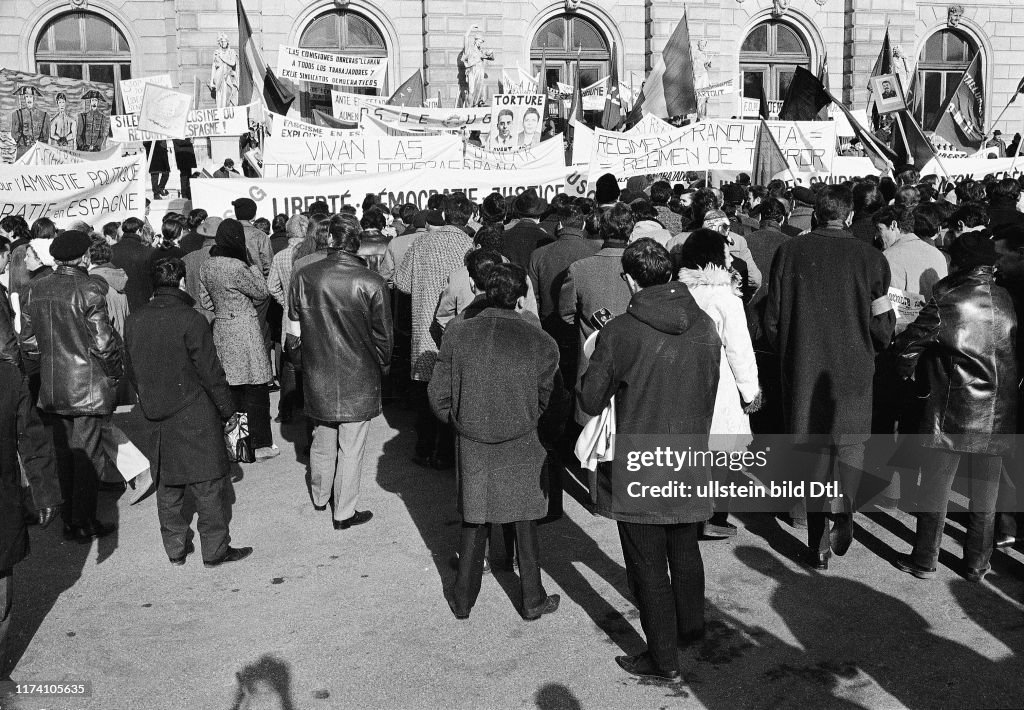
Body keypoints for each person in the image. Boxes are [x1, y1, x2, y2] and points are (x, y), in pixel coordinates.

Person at [578, 239, 722, 682]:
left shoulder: (620, 331)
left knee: (647, 565)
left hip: (641, 460)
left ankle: (663, 660)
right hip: (689, 453)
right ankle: (691, 628)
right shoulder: (705, 324)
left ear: (630, 278)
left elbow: (590, 396)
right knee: (683, 547)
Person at [764, 186, 896, 570]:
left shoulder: (789, 252)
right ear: (851, 217)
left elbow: (772, 319)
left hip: (804, 369)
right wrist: (879, 341)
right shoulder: (871, 259)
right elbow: (882, 322)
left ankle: (818, 544)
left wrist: (790, 352)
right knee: (851, 446)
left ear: (816, 215)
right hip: (854, 371)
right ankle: (846, 507)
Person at [430, 263, 561, 620]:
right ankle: (532, 599)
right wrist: (534, 426)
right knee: (525, 521)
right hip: (523, 440)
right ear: (521, 298)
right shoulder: (541, 341)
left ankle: (462, 600)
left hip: (472, 440)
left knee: (474, 520)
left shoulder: (457, 334)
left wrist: (461, 424)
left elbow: (438, 395)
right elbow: (550, 400)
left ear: (483, 291)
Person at [891, 233, 1018, 582]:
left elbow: (907, 347)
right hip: (997, 411)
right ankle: (977, 563)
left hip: (953, 407)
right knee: (985, 495)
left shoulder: (950, 297)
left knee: (935, 488)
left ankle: (924, 559)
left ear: (960, 261)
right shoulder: (1006, 297)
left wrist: (909, 379)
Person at [126, 258, 252, 567]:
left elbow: (130, 369)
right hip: (194, 409)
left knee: (168, 485)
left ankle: (176, 549)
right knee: (207, 484)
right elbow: (210, 372)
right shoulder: (191, 319)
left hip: (156, 411)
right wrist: (228, 411)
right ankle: (215, 549)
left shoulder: (135, 319)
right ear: (182, 282)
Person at [290, 214, 394, 531]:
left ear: (331, 240)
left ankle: (321, 497)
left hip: (318, 367)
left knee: (322, 437)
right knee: (351, 446)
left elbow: (293, 332)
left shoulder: (305, 276)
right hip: (359, 372)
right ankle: (344, 511)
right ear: (355, 241)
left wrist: (300, 362)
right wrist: (381, 367)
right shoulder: (371, 281)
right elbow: (384, 337)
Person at [20, 231, 122, 542]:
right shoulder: (88, 288)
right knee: (88, 456)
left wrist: (52, 355)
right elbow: (104, 343)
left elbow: (29, 341)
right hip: (86, 384)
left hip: (53, 384)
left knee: (64, 454)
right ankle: (84, 521)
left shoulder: (36, 288)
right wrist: (115, 375)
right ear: (82, 257)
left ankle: (69, 518)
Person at [676, 229, 761, 538]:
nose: (730, 258)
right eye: (725, 254)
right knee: (722, 454)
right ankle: (714, 518)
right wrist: (750, 390)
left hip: (683, 379)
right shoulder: (724, 296)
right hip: (720, 382)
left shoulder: (677, 290)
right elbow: (739, 347)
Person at [395, 197, 474, 469]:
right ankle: (446, 453)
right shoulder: (469, 245)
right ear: (469, 217)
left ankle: (424, 447)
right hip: (456, 325)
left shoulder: (421, 243)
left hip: (423, 327)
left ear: (444, 214)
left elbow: (402, 283)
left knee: (426, 388)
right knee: (453, 389)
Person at [199, 219, 277, 461]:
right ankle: (260, 443)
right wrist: (252, 266)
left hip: (222, 327)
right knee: (255, 384)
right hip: (245, 328)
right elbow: (262, 291)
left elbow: (206, 301)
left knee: (231, 385)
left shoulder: (207, 266)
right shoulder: (237, 266)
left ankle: (235, 443)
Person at [559, 203, 635, 421]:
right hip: (633, 364)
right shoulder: (641, 265)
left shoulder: (580, 268)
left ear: (601, 229)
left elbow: (566, 313)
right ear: (630, 230)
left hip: (593, 364)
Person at [110, 217, 156, 311]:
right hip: (141, 300)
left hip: (116, 301)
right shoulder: (148, 251)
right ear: (139, 231)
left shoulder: (111, 250)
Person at [11, 86, 48, 159]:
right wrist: (23, 139)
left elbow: (45, 136)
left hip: (37, 151)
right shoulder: (17, 114)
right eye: (27, 96)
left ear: (34, 98)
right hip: (23, 151)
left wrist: (37, 141)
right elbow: (14, 133)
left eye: (31, 96)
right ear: (24, 98)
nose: (29, 99)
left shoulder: (43, 115)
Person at [210, 32, 239, 108]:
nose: (223, 43)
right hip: (219, 77)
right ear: (219, 43)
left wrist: (222, 58)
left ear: (228, 42)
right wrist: (211, 81)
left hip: (229, 76)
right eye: (222, 41)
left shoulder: (232, 52)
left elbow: (232, 63)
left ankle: (228, 112)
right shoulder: (216, 53)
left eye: (225, 41)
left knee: (229, 94)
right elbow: (214, 66)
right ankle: (221, 112)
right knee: (220, 96)